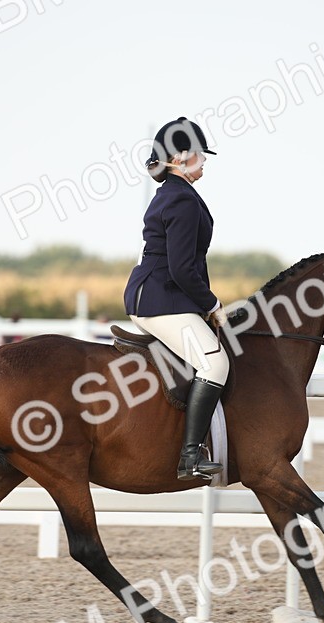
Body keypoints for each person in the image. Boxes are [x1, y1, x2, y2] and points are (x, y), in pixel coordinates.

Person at [123, 117, 229, 481]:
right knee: (215, 364)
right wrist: (213, 305)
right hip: (160, 297)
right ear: (180, 157)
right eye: (200, 155)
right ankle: (190, 456)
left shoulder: (172, 193)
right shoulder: (181, 199)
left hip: (159, 293)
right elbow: (184, 269)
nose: (205, 161)